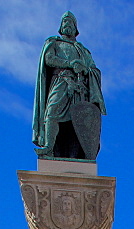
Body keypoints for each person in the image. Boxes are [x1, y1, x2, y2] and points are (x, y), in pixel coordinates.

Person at [32, 12, 107, 160]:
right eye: (65, 22)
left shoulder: (83, 51)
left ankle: (77, 154)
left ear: (75, 29)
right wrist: (70, 64)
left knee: (77, 122)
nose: (67, 25)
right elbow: (49, 59)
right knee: (52, 113)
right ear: (60, 27)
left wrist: (85, 69)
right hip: (61, 81)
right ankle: (49, 147)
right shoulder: (54, 43)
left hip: (81, 87)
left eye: (70, 23)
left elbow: (94, 69)